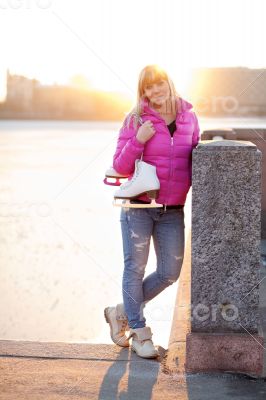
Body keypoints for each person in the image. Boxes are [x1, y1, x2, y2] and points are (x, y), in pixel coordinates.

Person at [104, 64, 200, 359]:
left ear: (168, 82)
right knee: (135, 267)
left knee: (170, 273)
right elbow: (119, 166)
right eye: (147, 87)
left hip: (173, 208)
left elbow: (197, 158)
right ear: (142, 91)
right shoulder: (135, 119)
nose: (154, 91)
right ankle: (139, 332)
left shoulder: (190, 117)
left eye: (158, 84)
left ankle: (120, 310)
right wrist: (139, 139)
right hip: (140, 207)